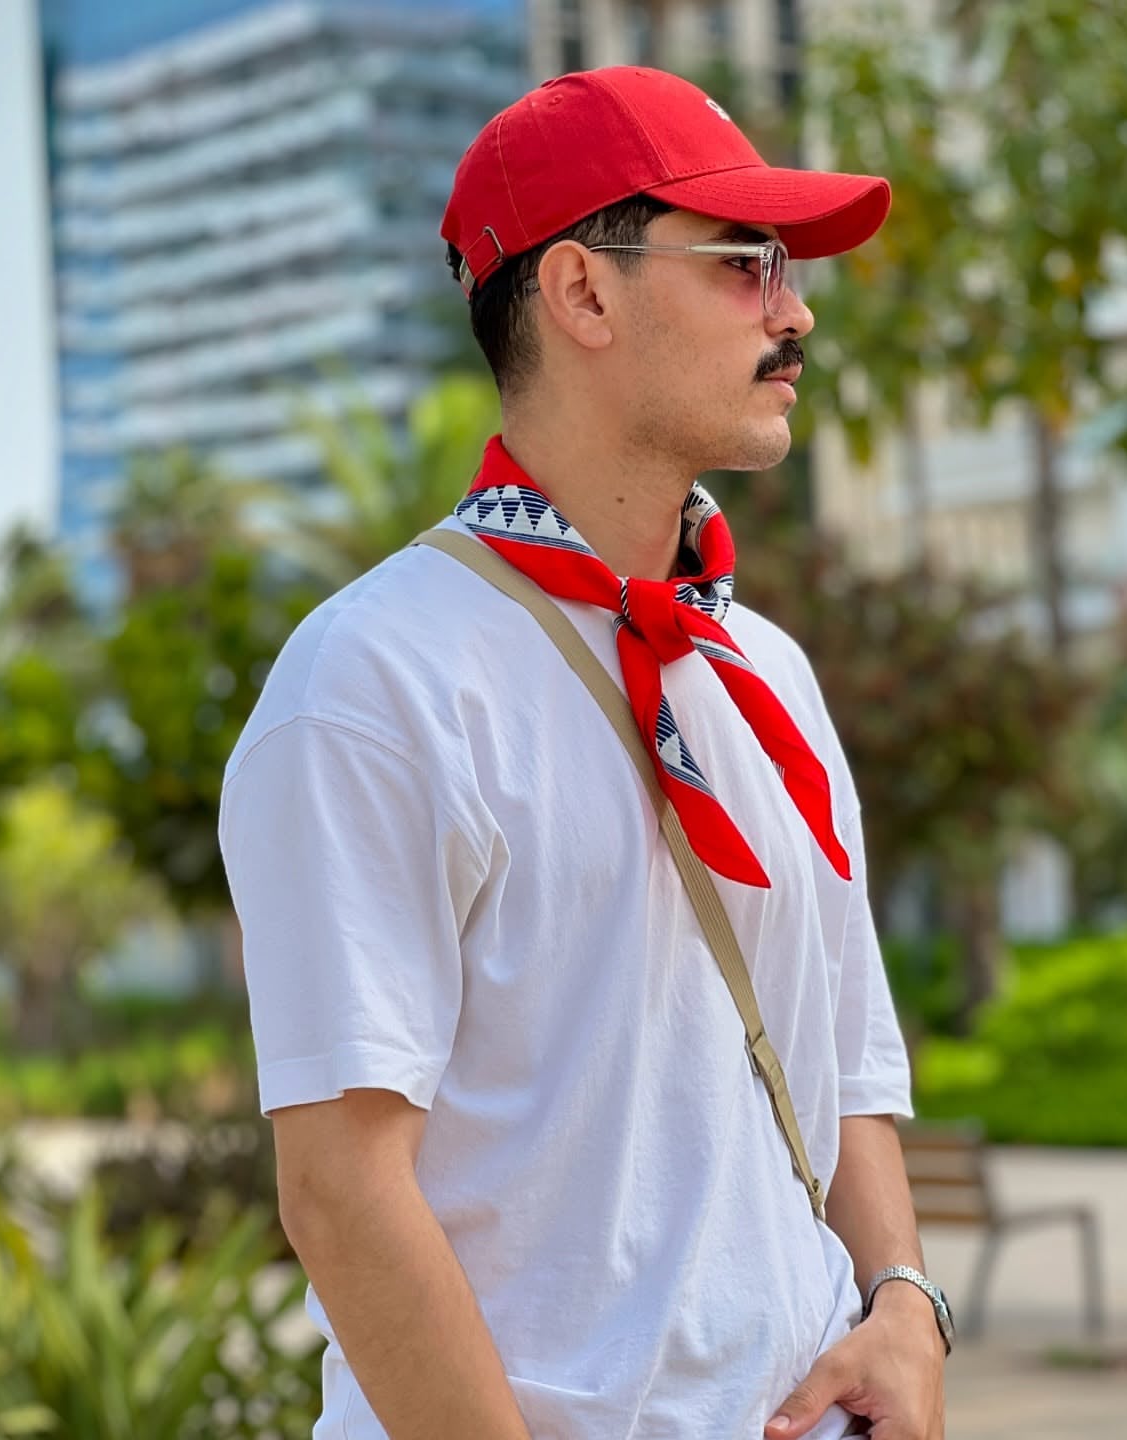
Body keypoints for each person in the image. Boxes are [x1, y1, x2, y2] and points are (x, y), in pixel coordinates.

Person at [219, 65, 950, 1440]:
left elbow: (842, 1058)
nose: (794, 313)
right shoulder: (372, 681)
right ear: (585, 294)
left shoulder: (765, 672)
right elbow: (340, 1190)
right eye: (745, 265)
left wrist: (905, 1305)